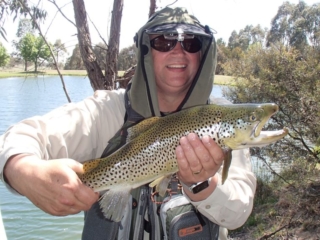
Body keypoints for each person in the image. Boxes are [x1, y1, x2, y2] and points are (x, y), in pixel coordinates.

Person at [0, 6, 256, 240]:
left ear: (203, 54)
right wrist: (24, 171)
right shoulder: (106, 111)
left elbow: (238, 214)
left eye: (191, 42)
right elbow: (24, 136)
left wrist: (201, 183)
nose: (178, 51)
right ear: (146, 51)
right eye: (164, 41)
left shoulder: (222, 119)